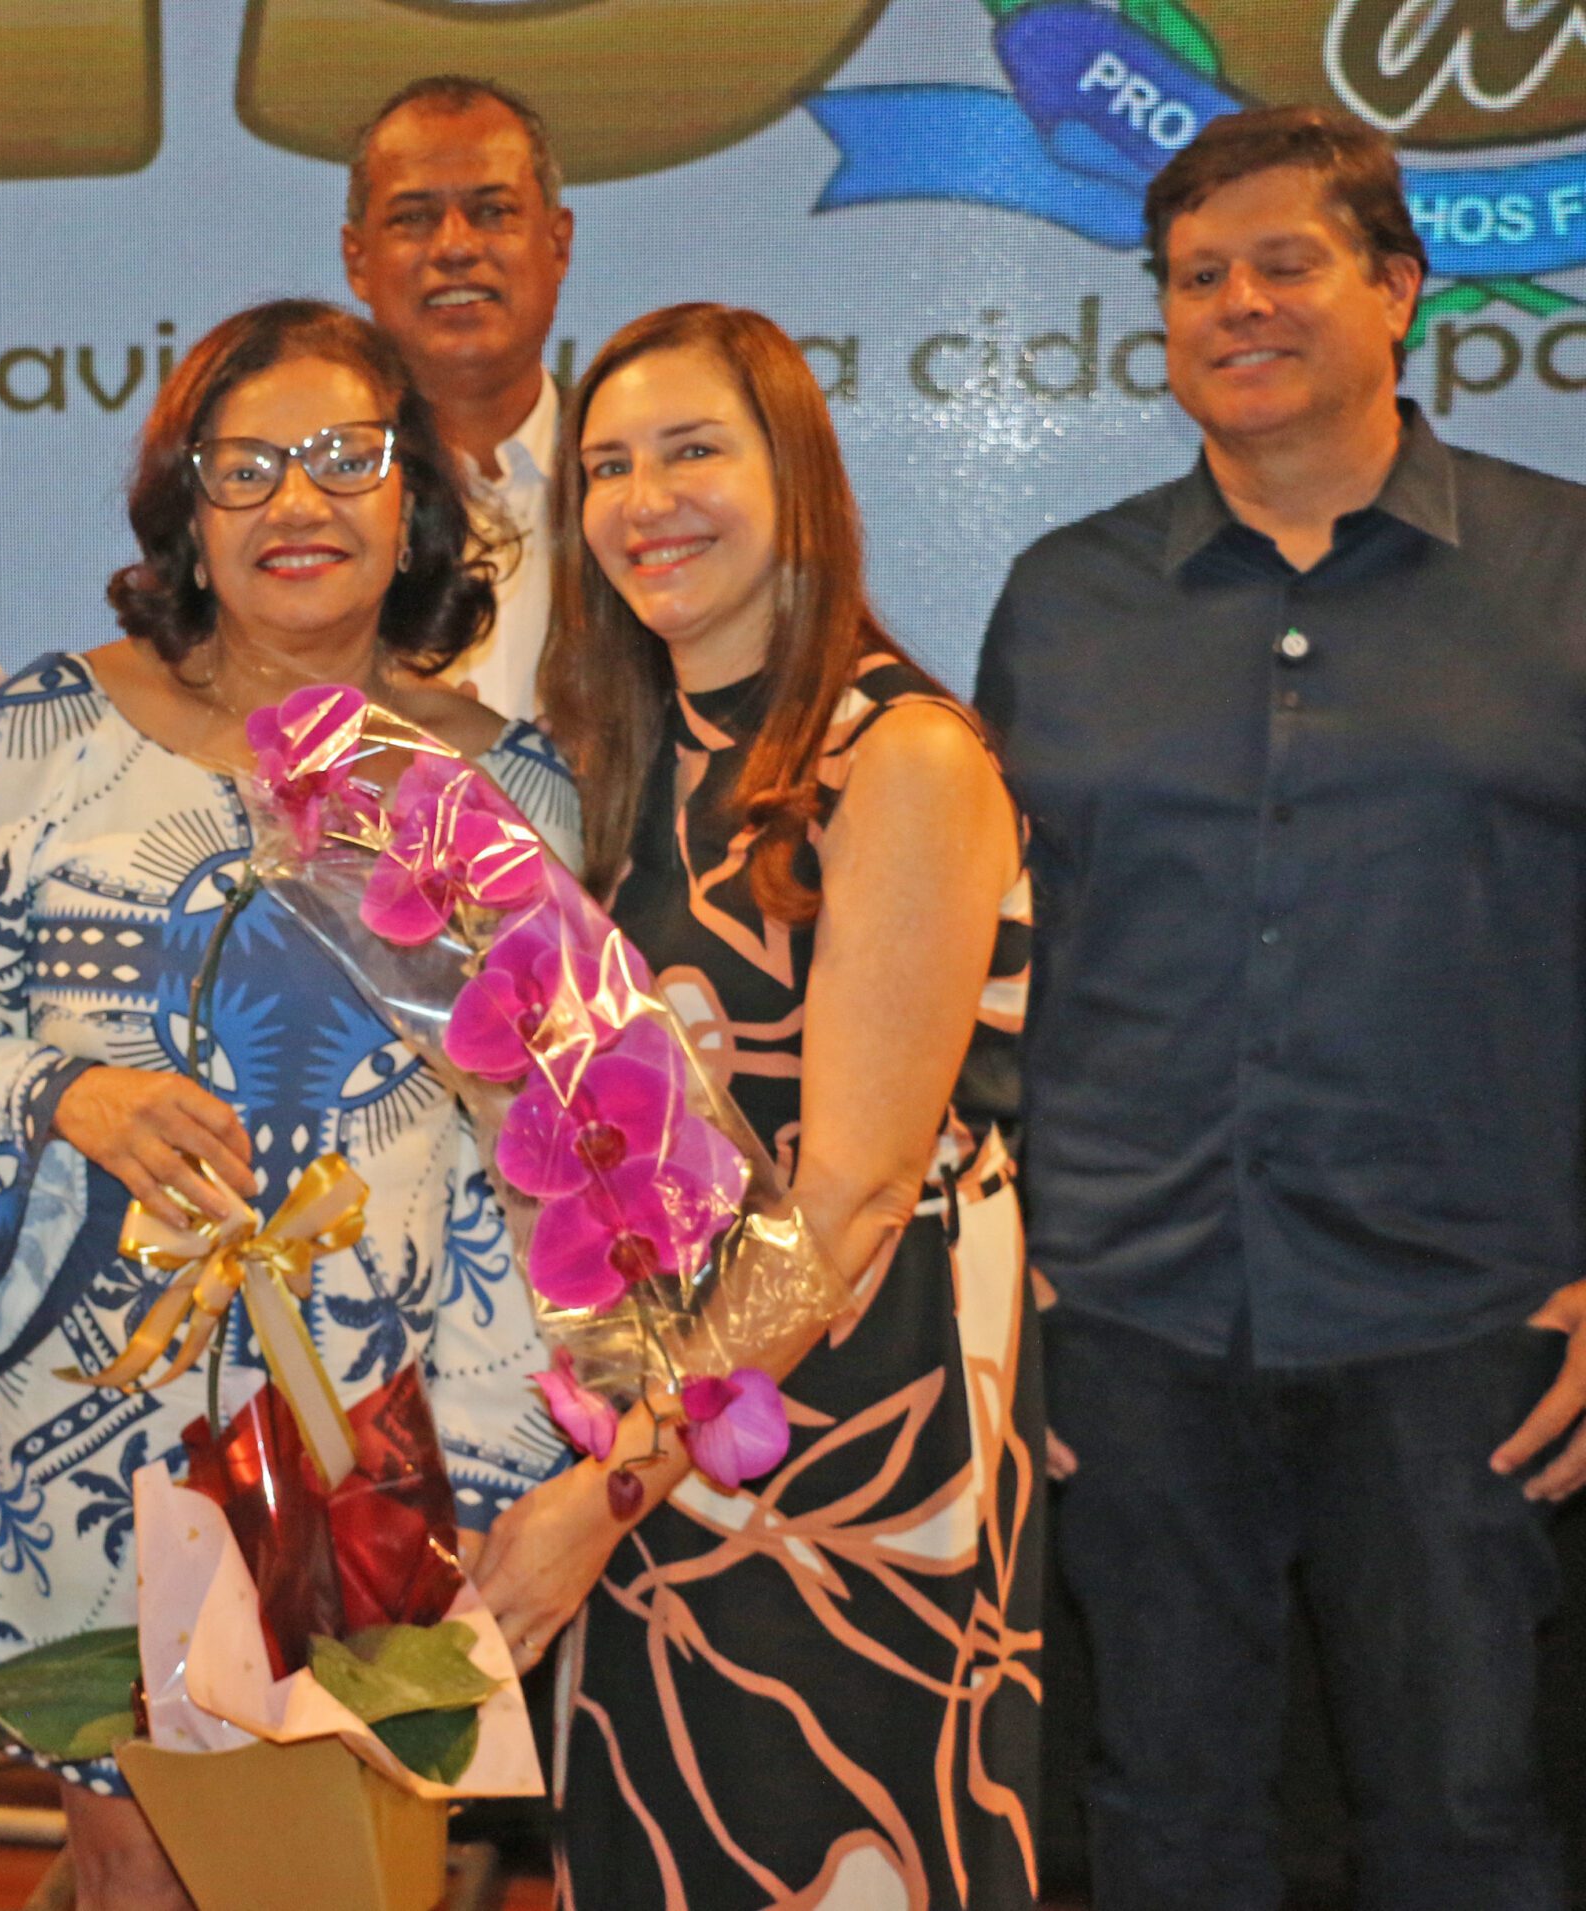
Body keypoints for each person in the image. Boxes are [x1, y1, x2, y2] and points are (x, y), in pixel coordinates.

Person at [0, 298, 575, 1910]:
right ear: (185, 510)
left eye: (345, 457)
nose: (296, 500)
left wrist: (498, 1468)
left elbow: (549, 1167)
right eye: (244, 464)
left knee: (346, 1875)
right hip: (85, 1434)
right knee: (137, 1872)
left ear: (415, 497)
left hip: (379, 1445)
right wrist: (67, 1092)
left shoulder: (508, 786)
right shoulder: (47, 733)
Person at [974, 105, 1586, 1911]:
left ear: (1398, 288)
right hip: (1129, 1323)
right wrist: (1003, 1293)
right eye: (1196, 277)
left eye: (1284, 263)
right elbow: (990, 962)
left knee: (1468, 1821)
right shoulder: (1064, 600)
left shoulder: (1564, 574)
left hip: (1469, 1325)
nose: (1237, 304)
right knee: (1162, 1823)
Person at [503, 304, 1040, 1909]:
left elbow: (855, 1195)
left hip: (858, 1432)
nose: (645, 500)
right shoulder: (621, 766)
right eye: (608, 466)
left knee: (836, 1843)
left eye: (693, 451)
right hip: (658, 1413)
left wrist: (610, 1486)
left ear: (795, 479)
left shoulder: (902, 756)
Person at [342, 74, 570, 719]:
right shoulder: (316, 503)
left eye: (492, 212)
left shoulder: (640, 488)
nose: (456, 247)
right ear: (357, 261)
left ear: (558, 243)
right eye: (414, 218)